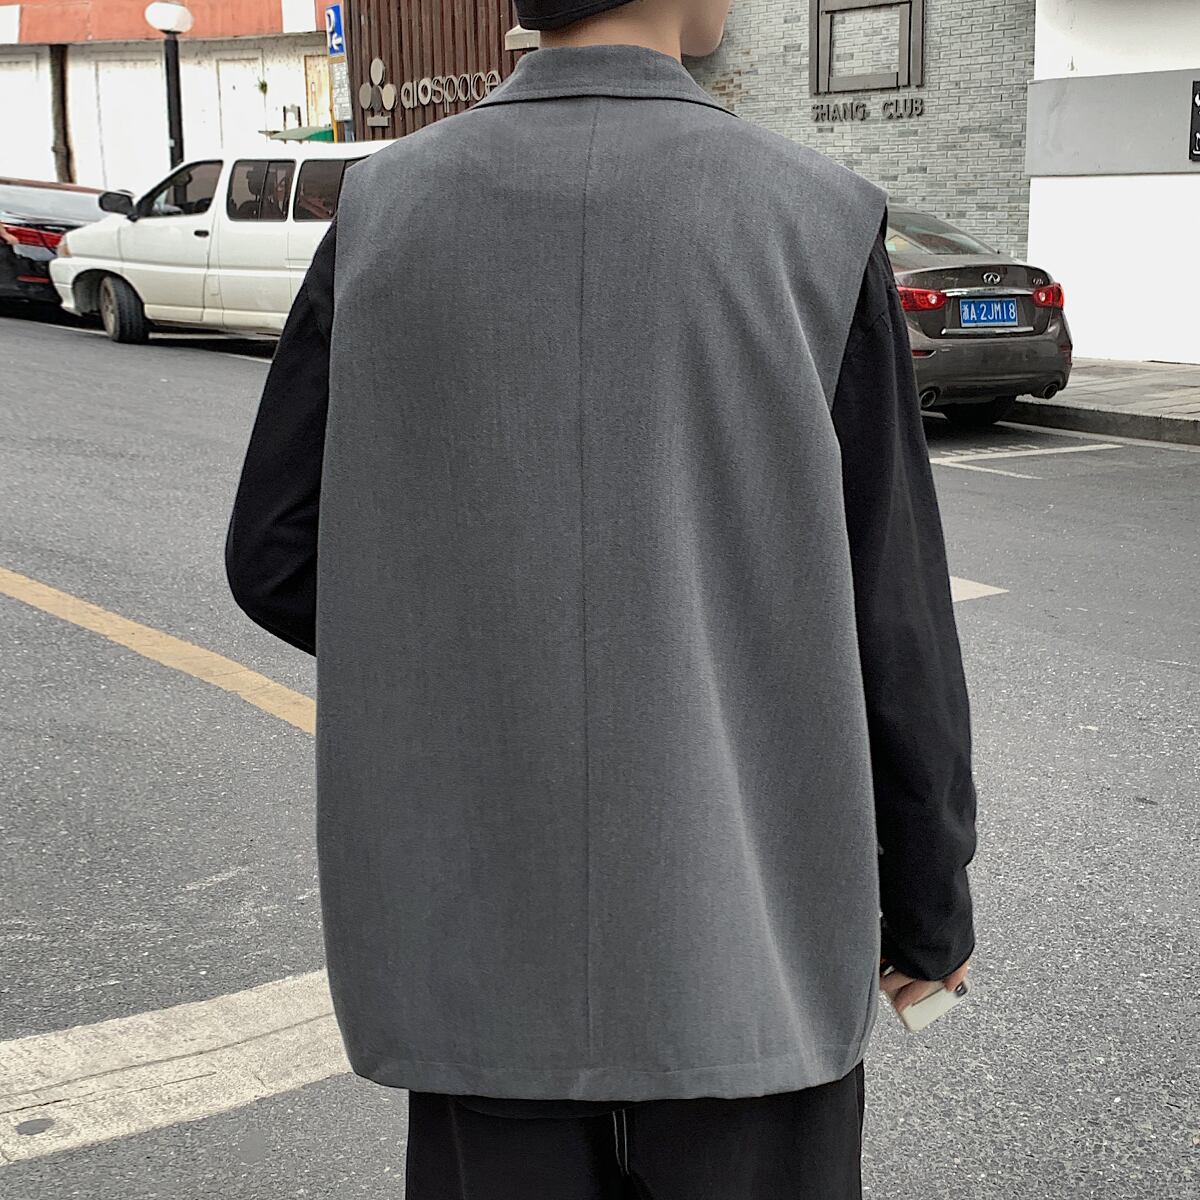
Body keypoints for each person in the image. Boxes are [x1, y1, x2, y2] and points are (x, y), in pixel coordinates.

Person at [225, 0, 977, 1195]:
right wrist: (929, 903)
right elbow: (895, 616)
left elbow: (275, 552)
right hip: (747, 934)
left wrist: (463, 637)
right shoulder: (816, 216)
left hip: (483, 927)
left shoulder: (382, 211)